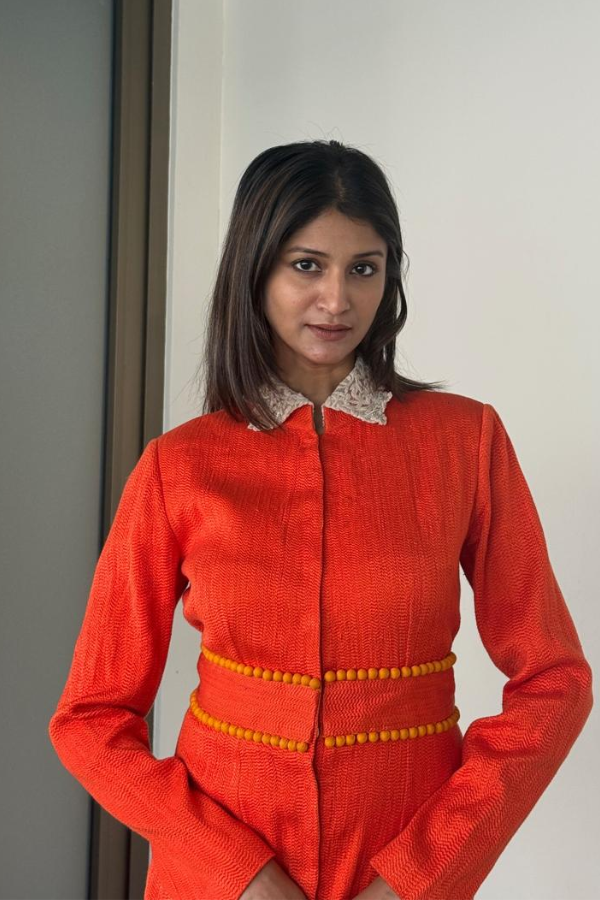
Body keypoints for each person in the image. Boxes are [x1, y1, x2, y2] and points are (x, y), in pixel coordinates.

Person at [48, 139, 593, 900]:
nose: (336, 300)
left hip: (405, 870)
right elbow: (90, 719)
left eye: (363, 268)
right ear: (256, 269)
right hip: (216, 882)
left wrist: (420, 875)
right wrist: (236, 873)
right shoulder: (180, 466)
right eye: (307, 265)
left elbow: (555, 681)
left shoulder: (465, 441)